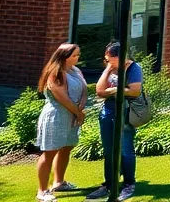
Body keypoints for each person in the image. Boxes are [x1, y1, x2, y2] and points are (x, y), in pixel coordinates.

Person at [86, 43, 142, 201]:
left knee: (125, 149)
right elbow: (99, 90)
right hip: (108, 112)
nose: (107, 61)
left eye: (109, 58)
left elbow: (135, 90)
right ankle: (109, 183)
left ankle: (129, 183)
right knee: (109, 149)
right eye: (106, 59)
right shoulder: (110, 68)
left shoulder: (133, 69)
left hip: (125, 113)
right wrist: (108, 70)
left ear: (120, 56)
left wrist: (113, 90)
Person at [34, 43, 87, 202]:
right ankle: (42, 191)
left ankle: (59, 182)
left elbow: (84, 90)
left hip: (73, 114)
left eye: (78, 55)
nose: (77, 58)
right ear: (64, 57)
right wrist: (78, 113)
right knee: (50, 152)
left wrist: (81, 107)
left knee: (66, 148)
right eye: (74, 56)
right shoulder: (55, 73)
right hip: (56, 115)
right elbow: (62, 97)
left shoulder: (75, 71)